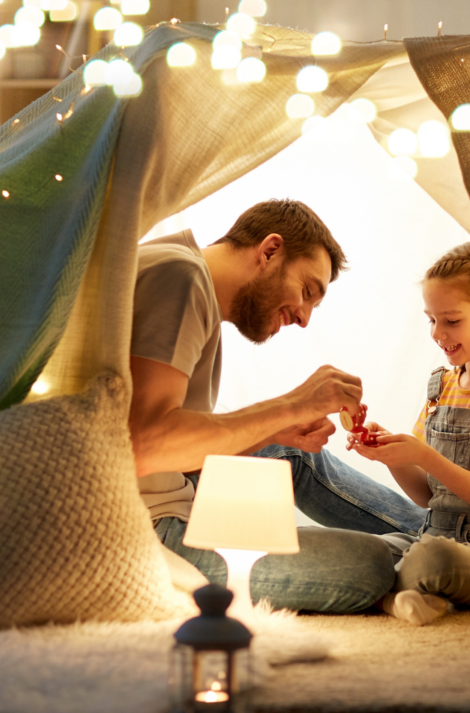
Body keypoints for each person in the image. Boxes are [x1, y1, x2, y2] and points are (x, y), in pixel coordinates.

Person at [129, 198, 427, 613]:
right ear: (269, 251)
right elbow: (144, 446)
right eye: (307, 291)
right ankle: (445, 548)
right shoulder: (180, 278)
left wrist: (274, 431)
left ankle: (441, 537)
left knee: (287, 452)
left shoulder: (178, 266)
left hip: (168, 492)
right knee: (371, 564)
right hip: (149, 529)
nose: (304, 318)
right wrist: (292, 404)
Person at [350, 241, 470, 626]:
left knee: (431, 560)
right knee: (356, 553)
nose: (438, 333)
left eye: (451, 321)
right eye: (431, 319)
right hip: (430, 533)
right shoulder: (441, 386)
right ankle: (401, 595)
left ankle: (387, 597)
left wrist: (424, 455)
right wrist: (390, 455)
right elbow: (425, 495)